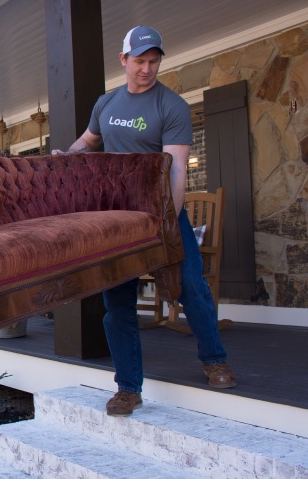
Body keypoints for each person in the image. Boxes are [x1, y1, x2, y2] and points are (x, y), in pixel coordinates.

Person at [57, 26, 236, 417]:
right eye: (140, 61)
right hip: (120, 219)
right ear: (124, 60)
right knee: (117, 301)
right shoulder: (106, 104)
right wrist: (66, 157)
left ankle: (214, 359)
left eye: (154, 61)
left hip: (164, 214)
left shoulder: (170, 106)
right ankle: (128, 387)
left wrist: (166, 225)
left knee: (191, 284)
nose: (147, 69)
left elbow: (175, 173)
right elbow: (87, 142)